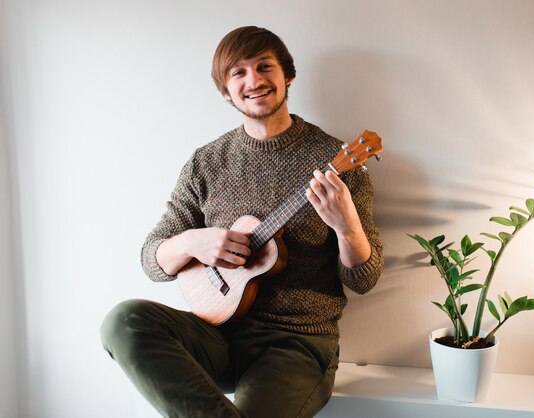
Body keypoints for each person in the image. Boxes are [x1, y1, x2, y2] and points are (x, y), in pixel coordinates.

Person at [100, 26, 383, 418]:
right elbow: (153, 260)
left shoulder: (337, 161)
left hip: (298, 345)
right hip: (216, 335)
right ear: (226, 91)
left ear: (288, 76)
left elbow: (364, 279)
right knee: (123, 321)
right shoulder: (207, 163)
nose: (254, 81)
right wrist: (193, 243)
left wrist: (347, 225)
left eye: (265, 66)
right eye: (238, 73)